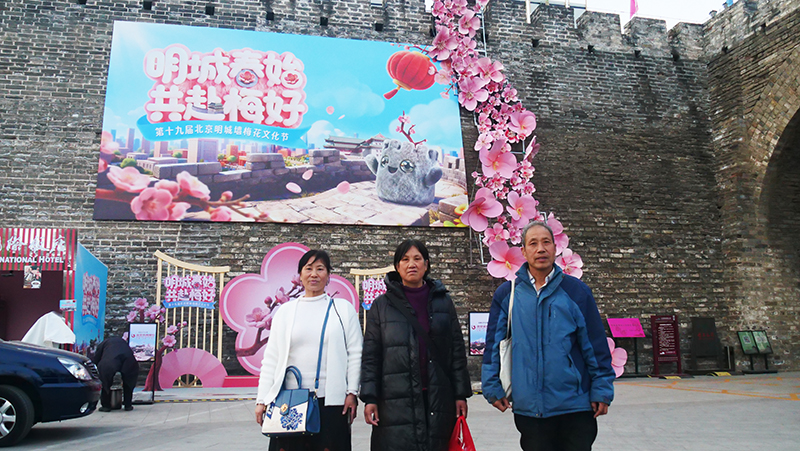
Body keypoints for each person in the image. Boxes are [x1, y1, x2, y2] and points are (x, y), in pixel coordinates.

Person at [481, 221, 616, 451]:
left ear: (555, 248)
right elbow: (494, 344)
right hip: (530, 409)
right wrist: (492, 386)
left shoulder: (576, 292)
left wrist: (602, 389)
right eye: (533, 243)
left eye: (546, 242)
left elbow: (595, 345)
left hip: (575, 406)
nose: (540, 249)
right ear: (523, 251)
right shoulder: (507, 294)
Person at [360, 239, 471, 451]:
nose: (412, 264)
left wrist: (460, 395)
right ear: (397, 266)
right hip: (395, 400)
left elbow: (456, 351)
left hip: (437, 397)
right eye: (405, 259)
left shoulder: (443, 302)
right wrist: (370, 398)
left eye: (417, 259)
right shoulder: (381, 306)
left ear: (426, 264)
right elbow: (371, 356)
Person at [255, 249, 363, 451]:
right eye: (308, 269)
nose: (314, 274)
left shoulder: (343, 309)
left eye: (320, 269)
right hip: (289, 401)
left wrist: (352, 392)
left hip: (331, 403)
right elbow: (271, 358)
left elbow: (355, 353)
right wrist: (262, 399)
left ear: (328, 275)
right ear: (300, 275)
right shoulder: (285, 312)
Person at [92, 336, 139, 412]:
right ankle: (128, 405)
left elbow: (97, 357)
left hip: (110, 361)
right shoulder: (123, 342)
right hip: (129, 360)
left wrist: (96, 366)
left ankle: (106, 406)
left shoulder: (103, 343)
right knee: (129, 382)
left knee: (105, 382)